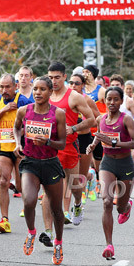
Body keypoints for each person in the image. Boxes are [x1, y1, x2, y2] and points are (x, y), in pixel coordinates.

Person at [12, 76, 67, 264]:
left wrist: (48, 142)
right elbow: (16, 128)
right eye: (35, 89)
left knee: (56, 209)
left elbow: (62, 143)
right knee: (29, 201)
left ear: (50, 92)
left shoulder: (58, 114)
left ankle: (58, 243)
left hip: (51, 163)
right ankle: (31, 232)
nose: (37, 92)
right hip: (30, 163)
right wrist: (18, 143)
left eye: (42, 89)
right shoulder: (24, 110)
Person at [87, 86, 134, 260]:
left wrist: (114, 143)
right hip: (108, 163)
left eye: (116, 99)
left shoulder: (126, 120)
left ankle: (127, 207)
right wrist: (93, 145)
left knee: (120, 207)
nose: (112, 102)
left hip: (125, 165)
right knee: (107, 201)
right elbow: (99, 134)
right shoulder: (101, 119)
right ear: (105, 100)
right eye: (109, 99)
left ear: (121, 101)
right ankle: (109, 244)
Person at [45, 62, 95, 229]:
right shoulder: (44, 94)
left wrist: (73, 128)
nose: (53, 81)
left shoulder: (74, 97)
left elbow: (91, 119)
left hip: (69, 147)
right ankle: (48, 231)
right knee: (50, 190)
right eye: (50, 77)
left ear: (64, 77)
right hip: (50, 148)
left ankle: (78, 203)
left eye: (57, 77)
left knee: (75, 186)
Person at [0, 73, 32, 234]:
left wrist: (20, 132)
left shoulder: (23, 101)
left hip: (21, 148)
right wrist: (4, 109)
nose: (4, 90)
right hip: (3, 147)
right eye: (1, 87)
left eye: (7, 87)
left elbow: (32, 121)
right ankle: (5, 220)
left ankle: (29, 211)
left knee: (21, 186)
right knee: (3, 181)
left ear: (15, 86)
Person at [69, 73, 101, 203]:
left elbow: (98, 119)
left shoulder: (87, 100)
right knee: (71, 173)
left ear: (82, 85)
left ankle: (84, 189)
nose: (73, 86)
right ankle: (90, 177)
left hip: (84, 138)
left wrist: (83, 123)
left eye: (77, 83)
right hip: (70, 140)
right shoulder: (67, 99)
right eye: (71, 83)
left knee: (80, 174)